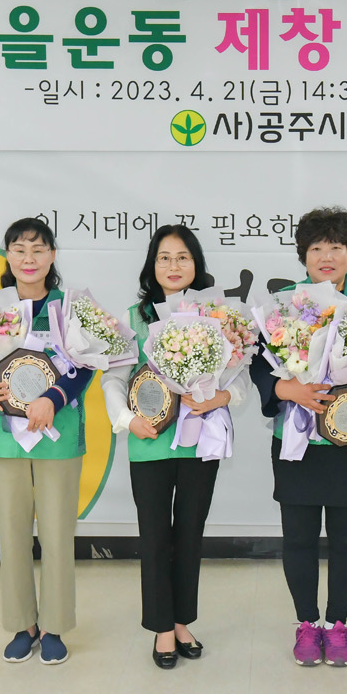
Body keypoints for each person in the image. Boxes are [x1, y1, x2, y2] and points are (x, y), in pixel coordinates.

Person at [251, 207, 347, 668]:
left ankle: (337, 625)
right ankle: (306, 623)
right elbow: (260, 364)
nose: (326, 256)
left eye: (335, 247)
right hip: (297, 440)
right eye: (316, 248)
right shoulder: (286, 302)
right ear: (303, 255)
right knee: (298, 539)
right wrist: (286, 389)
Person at [101, 225, 251, 668]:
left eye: (182, 257)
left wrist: (220, 397)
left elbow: (239, 377)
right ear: (152, 265)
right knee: (154, 538)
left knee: (189, 535)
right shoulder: (134, 317)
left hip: (200, 441)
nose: (173, 265)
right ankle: (161, 628)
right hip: (149, 443)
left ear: (196, 264)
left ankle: (182, 621)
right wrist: (128, 420)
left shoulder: (217, 316)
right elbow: (113, 378)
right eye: (164, 257)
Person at [0, 217, 93, 666]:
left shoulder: (71, 308)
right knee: (12, 535)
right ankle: (24, 625)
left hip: (56, 435)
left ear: (52, 256)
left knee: (57, 534)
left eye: (38, 249)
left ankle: (55, 626)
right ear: (7, 255)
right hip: (3, 439)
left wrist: (53, 397)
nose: (29, 258)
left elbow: (87, 364)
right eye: (19, 249)